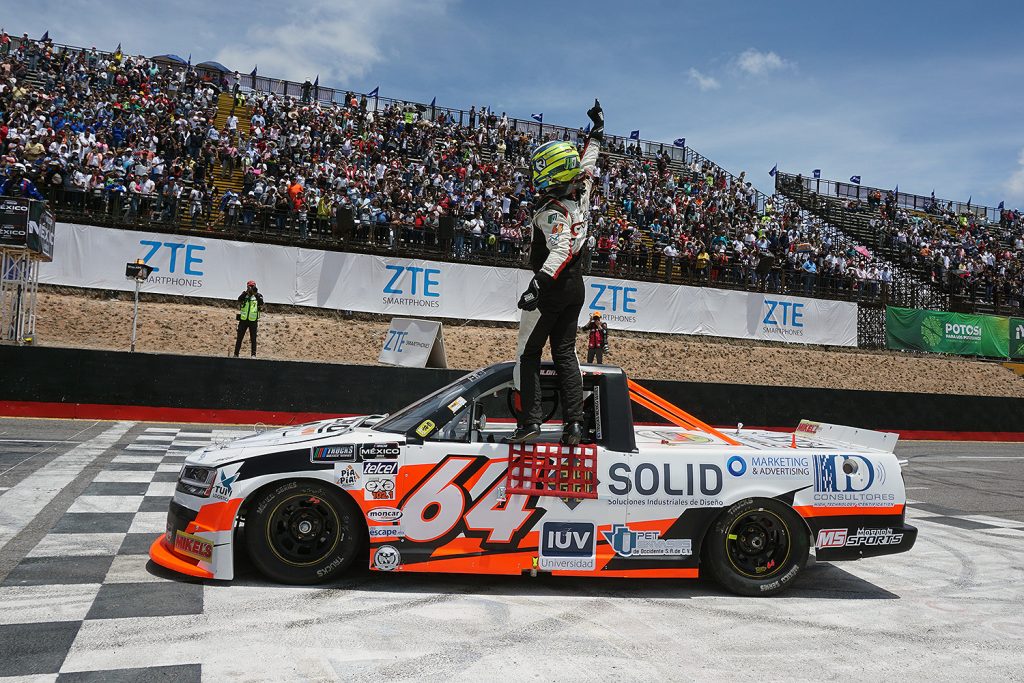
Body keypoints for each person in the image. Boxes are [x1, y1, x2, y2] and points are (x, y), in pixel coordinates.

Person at [507, 99, 604, 445]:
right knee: (565, 353)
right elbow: (588, 162)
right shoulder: (584, 189)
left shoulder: (551, 211)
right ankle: (574, 424)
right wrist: (597, 133)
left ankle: (529, 422)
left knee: (528, 353)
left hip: (552, 288)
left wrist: (538, 284)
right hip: (576, 286)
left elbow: (560, 249)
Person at [234, 280, 263, 357]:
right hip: (243, 320)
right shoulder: (244, 294)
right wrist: (246, 292)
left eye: (252, 286)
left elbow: (261, 303)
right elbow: (239, 299)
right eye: (250, 286)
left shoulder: (258, 295)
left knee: (253, 339)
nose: (251, 288)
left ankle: (253, 355)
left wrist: (255, 294)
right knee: (239, 338)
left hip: (253, 320)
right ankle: (236, 354)